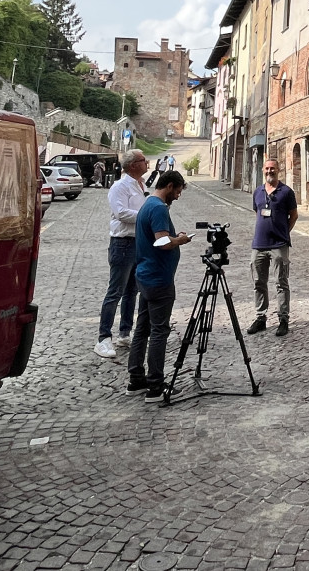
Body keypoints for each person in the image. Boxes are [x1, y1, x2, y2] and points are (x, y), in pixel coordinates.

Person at [127, 170, 192, 402]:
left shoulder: (148, 204)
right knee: (158, 331)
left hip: (146, 276)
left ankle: (136, 379)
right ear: (170, 186)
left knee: (143, 329)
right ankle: (155, 385)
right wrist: (181, 240)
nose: (178, 196)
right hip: (158, 279)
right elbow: (163, 241)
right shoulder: (158, 208)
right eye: (178, 191)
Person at [94, 149, 148, 358]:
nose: (147, 163)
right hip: (123, 243)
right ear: (133, 164)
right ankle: (103, 338)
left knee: (132, 291)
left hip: (139, 243)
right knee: (115, 291)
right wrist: (148, 215)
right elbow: (121, 213)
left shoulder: (141, 185)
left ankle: (125, 333)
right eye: (143, 160)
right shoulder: (120, 186)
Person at [246, 158, 298, 337]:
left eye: (273, 168)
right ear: (263, 170)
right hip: (259, 244)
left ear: (278, 170)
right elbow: (257, 213)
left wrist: (283, 232)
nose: (270, 171)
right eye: (267, 168)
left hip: (279, 245)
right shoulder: (258, 192)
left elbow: (294, 215)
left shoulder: (286, 192)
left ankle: (283, 319)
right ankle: (260, 318)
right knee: (258, 282)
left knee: (281, 283)